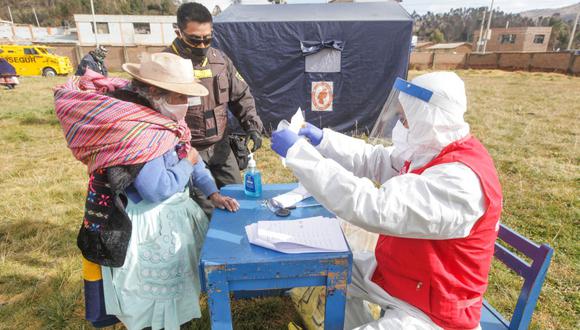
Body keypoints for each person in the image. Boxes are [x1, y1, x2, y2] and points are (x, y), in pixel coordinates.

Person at [271, 72, 503, 329]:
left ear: (428, 117)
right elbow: (376, 160)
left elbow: (374, 207)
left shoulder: (460, 180)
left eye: (405, 118)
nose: (400, 126)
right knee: (326, 271)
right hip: (403, 276)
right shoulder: (433, 151)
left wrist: (299, 155)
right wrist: (324, 140)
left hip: (434, 311)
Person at [55, 52, 238, 330]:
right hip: (150, 227)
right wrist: (187, 164)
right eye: (180, 97)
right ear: (154, 92)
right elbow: (158, 187)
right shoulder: (139, 130)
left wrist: (213, 193)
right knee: (155, 299)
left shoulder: (163, 120)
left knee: (177, 290)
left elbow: (190, 156)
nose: (186, 105)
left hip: (169, 218)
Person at [166, 2, 264, 216]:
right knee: (208, 211)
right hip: (189, 152)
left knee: (240, 199)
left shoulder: (220, 61)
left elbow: (241, 95)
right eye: (194, 40)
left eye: (207, 39)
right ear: (178, 32)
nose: (202, 46)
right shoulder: (165, 64)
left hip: (221, 147)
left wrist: (253, 127)